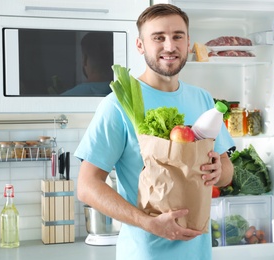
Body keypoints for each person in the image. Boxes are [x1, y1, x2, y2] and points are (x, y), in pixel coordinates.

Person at [75, 4, 235, 260]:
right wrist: (147, 222)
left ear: (188, 42)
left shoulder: (203, 99)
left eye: (177, 36)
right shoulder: (117, 104)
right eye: (158, 37)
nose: (170, 46)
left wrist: (219, 170)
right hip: (146, 252)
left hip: (200, 253)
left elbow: (227, 173)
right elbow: (87, 186)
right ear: (140, 45)